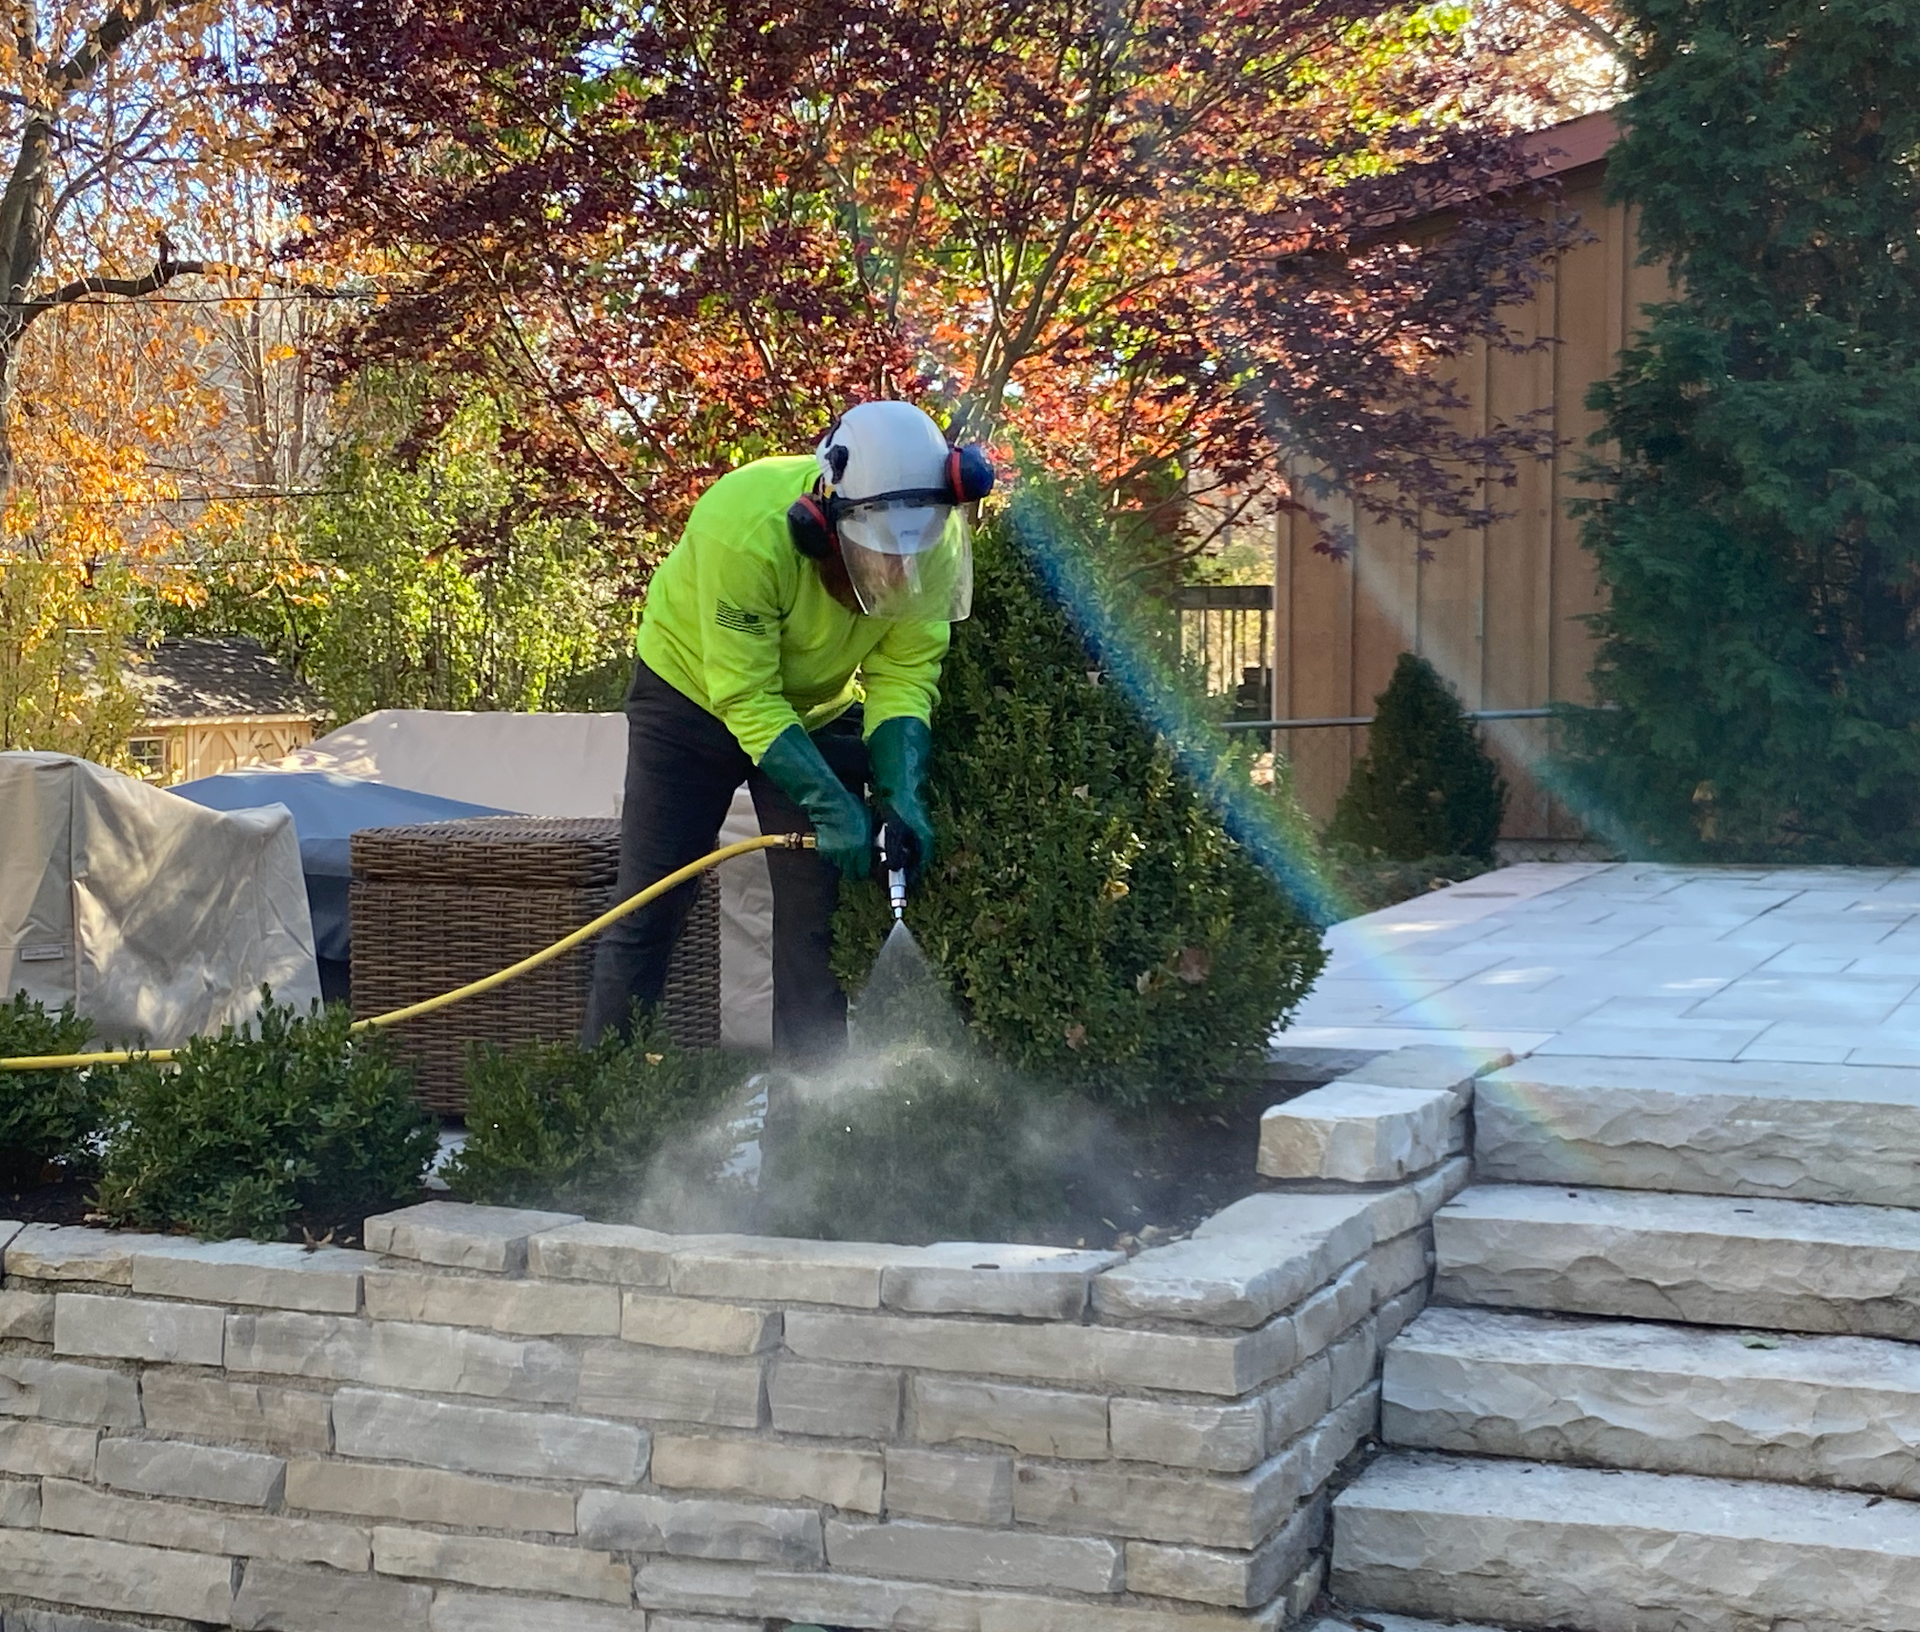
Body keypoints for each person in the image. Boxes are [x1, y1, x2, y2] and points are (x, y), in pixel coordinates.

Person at [584, 400, 994, 1063]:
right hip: (690, 699)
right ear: (822, 527)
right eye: (878, 561)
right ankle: (604, 1095)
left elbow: (904, 673)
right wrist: (829, 802)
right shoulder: (742, 529)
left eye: (910, 559)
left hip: (819, 708)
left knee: (815, 926)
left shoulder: (931, 539)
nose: (897, 577)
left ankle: (807, 1119)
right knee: (652, 904)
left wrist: (902, 792)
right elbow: (745, 694)